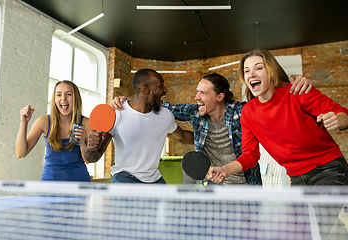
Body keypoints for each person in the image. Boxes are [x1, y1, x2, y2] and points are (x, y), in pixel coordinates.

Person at [112, 73, 313, 185]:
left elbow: (269, 104)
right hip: (214, 185)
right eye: (197, 91)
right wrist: (126, 101)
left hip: (246, 184)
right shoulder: (195, 113)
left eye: (203, 93)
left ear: (220, 97)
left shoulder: (242, 112)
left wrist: (292, 83)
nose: (196, 97)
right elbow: (157, 105)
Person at [207, 49, 348, 186]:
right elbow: (250, 155)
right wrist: (225, 170)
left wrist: (338, 120)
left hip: (329, 168)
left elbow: (341, 113)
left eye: (259, 68)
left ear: (271, 71)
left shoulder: (297, 91)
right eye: (247, 71)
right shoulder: (248, 112)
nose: (251, 74)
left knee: (321, 211)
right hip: (296, 177)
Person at [84, 69, 193, 184]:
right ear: (145, 90)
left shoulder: (166, 116)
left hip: (154, 180)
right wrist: (90, 148)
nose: (165, 89)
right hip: (124, 177)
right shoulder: (118, 113)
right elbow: (92, 158)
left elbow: (182, 136)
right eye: (161, 86)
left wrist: (208, 139)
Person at [16, 80, 92, 182]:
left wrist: (82, 143)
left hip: (79, 184)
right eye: (59, 95)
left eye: (69, 94)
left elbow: (88, 160)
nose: (63, 98)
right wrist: (23, 123)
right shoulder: (43, 122)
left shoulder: (86, 123)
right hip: (50, 184)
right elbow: (21, 153)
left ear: (76, 98)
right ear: (54, 99)